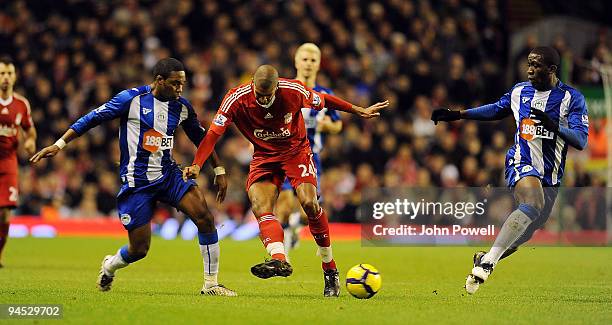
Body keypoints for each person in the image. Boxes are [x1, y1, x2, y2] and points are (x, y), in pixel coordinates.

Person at [30, 58, 237, 296]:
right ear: (159, 81)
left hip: (168, 174)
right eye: (175, 83)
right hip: (136, 181)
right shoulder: (130, 99)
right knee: (139, 249)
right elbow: (92, 118)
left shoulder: (182, 107)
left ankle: (211, 285)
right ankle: (109, 266)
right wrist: (59, 144)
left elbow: (202, 139)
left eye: (183, 84)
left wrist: (218, 170)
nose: (180, 89)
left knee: (205, 217)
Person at [183, 65, 388, 297]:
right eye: (258, 94)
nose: (262, 99)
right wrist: (197, 164)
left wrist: (358, 110)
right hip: (264, 157)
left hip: (296, 153)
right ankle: (279, 259)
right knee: (261, 207)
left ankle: (329, 268)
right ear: (252, 84)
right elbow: (212, 135)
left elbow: (324, 100)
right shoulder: (236, 98)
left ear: (276, 87)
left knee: (309, 204)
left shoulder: (293, 90)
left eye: (267, 95)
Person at [431, 46, 588, 294]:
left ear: (552, 70)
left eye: (536, 65)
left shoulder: (572, 99)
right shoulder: (519, 92)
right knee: (532, 203)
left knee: (526, 232)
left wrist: (554, 126)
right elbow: (496, 109)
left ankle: (485, 257)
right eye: (529, 63)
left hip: (551, 175)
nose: (529, 70)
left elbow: (580, 140)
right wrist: (458, 114)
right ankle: (488, 264)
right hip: (520, 160)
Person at [275, 43, 343, 259]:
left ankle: (296, 227)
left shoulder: (324, 94)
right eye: (304, 59)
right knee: (284, 205)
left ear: (319, 64)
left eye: (313, 60)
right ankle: (282, 254)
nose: (308, 64)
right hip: (285, 155)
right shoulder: (284, 90)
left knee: (308, 213)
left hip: (311, 159)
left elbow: (338, 124)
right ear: (296, 62)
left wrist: (327, 126)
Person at [0, 56, 37, 268]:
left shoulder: (21, 104)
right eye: (2, 74)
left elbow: (29, 130)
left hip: (8, 163)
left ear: (14, 77)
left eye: (9, 73)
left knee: (4, 212)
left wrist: (31, 142)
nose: (5, 77)